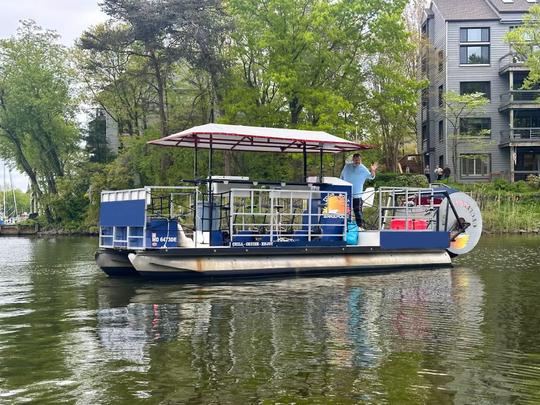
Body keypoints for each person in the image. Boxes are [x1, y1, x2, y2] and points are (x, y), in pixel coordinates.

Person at [340, 153, 378, 229]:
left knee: (358, 212)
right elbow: (341, 177)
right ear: (353, 160)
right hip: (346, 194)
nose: (357, 161)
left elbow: (371, 177)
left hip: (357, 195)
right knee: (345, 212)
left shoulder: (363, 168)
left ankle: (359, 228)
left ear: (361, 160)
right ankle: (345, 228)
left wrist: (373, 170)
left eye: (359, 160)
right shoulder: (347, 167)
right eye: (355, 159)